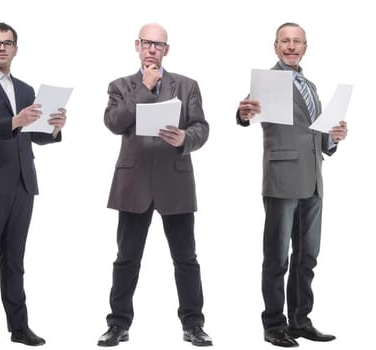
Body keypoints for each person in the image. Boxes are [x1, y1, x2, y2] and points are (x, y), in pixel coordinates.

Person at [96, 23, 212, 348]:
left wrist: (184, 139)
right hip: (133, 184)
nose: (152, 49)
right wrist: (144, 89)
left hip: (175, 182)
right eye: (147, 43)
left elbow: (202, 127)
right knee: (126, 259)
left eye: (158, 45)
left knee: (186, 259)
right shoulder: (120, 85)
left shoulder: (187, 86)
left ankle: (194, 325)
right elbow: (115, 123)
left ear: (166, 50)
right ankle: (118, 325)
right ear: (137, 45)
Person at [236, 22, 348, 348]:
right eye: (285, 41)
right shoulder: (267, 81)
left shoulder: (310, 85)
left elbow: (319, 135)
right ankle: (274, 325)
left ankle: (300, 321)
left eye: (296, 41)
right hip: (282, 179)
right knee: (276, 258)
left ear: (304, 47)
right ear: (275, 46)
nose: (291, 46)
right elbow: (247, 111)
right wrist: (243, 113)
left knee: (307, 256)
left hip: (313, 180)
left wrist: (334, 137)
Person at [0, 22, 66, 350]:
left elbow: (37, 137)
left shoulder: (27, 89)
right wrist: (16, 121)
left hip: (23, 182)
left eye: (8, 43)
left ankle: (19, 326)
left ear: (16, 49)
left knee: (15, 260)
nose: (2, 48)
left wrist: (56, 128)